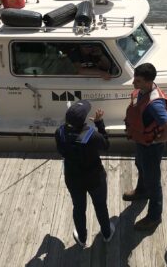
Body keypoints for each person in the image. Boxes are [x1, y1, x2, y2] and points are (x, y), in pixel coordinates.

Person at [123, 63, 167, 231]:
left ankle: (154, 217)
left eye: (137, 81)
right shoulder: (144, 90)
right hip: (142, 142)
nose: (133, 83)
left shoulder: (155, 104)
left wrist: (156, 141)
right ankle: (141, 191)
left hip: (150, 147)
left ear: (148, 82)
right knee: (140, 165)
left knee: (154, 182)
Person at [55, 100, 115, 247]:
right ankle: (107, 233)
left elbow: (62, 150)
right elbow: (106, 145)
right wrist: (100, 123)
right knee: (100, 206)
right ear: (82, 121)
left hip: (73, 178)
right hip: (94, 178)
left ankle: (82, 238)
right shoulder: (91, 135)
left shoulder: (60, 132)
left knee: (79, 208)